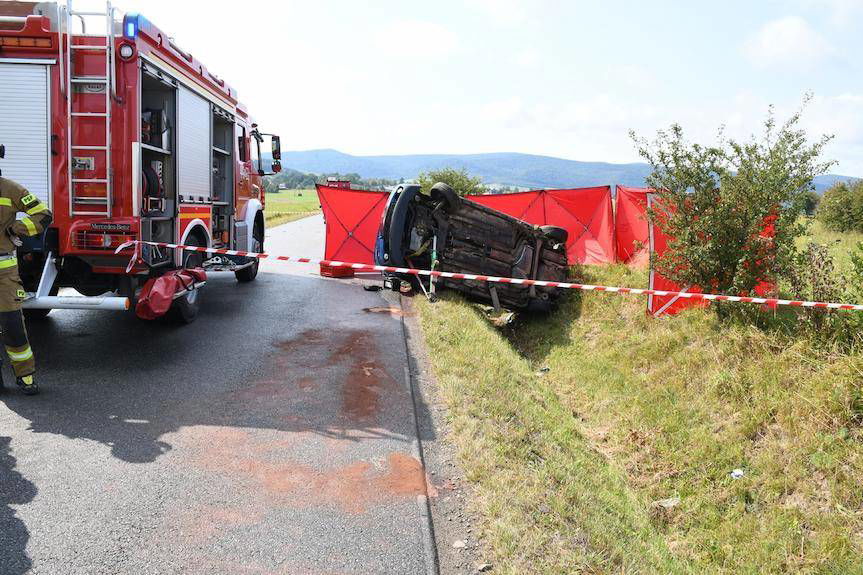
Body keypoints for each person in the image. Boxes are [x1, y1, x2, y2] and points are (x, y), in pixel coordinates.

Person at [0, 175, 53, 395]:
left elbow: (43, 215)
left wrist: (17, 229)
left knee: (12, 325)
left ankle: (26, 376)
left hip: (4, 273)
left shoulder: (9, 188)